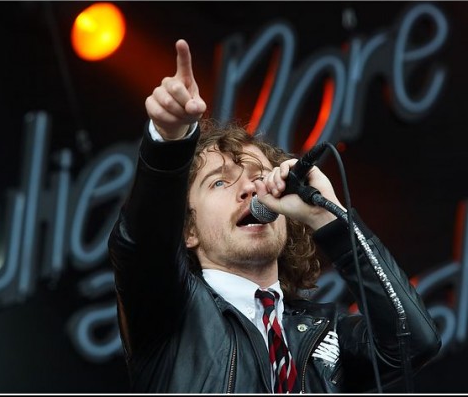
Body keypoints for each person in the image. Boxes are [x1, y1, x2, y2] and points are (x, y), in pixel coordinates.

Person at [108, 39, 441, 393]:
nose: (250, 189)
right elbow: (143, 241)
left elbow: (413, 343)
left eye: (258, 176)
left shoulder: (326, 332)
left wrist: (331, 219)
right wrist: (169, 142)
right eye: (220, 182)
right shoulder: (170, 312)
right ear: (188, 229)